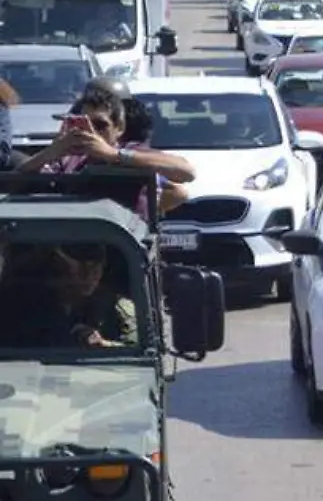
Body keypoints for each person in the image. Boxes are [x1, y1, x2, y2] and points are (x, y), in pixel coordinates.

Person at [16, 85, 195, 217]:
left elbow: (186, 172)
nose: (92, 132)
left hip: (122, 248)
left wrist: (112, 155)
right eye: (84, 123)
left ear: (119, 128)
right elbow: (17, 180)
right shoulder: (67, 158)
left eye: (100, 125)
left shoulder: (131, 152)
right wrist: (52, 151)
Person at [0, 242, 139, 349]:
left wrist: (105, 346)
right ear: (59, 266)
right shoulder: (27, 304)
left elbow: (141, 351)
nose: (88, 276)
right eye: (80, 268)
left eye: (95, 268)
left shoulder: (117, 309)